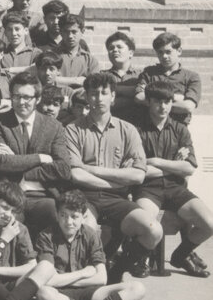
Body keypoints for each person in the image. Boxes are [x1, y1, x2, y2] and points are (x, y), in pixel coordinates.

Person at [66, 72, 162, 278]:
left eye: (104, 93)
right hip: (85, 196)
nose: (99, 98)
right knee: (86, 230)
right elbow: (76, 175)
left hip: (117, 199)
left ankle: (118, 269)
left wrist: (91, 169)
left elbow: (137, 176)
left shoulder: (128, 130)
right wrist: (117, 179)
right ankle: (88, 282)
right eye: (93, 94)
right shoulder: (73, 130)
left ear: (113, 97)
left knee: (153, 230)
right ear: (87, 97)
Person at [134, 82, 212, 278]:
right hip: (147, 189)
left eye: (167, 101)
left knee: (210, 223)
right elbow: (138, 171)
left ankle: (180, 255)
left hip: (176, 189)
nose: (163, 106)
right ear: (149, 102)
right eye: (158, 101)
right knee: (147, 223)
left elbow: (189, 168)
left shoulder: (180, 130)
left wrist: (156, 161)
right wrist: (172, 166)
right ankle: (140, 259)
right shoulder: (136, 129)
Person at [34, 191, 145, 300]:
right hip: (60, 293)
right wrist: (83, 273)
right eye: (63, 215)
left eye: (74, 217)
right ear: (57, 215)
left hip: (89, 292)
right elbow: (49, 280)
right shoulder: (46, 236)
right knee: (43, 294)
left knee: (137, 288)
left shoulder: (90, 235)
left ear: (83, 217)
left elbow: (101, 279)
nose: (68, 222)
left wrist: (63, 279)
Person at [0, 71, 71, 235]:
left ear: (38, 99)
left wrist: (21, 167)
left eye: (27, 97)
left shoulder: (53, 126)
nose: (21, 102)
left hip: (43, 195)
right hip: (9, 194)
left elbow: (63, 169)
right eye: (16, 96)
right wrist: (40, 158)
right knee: (9, 225)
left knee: (55, 216)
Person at [134, 32, 201, 124]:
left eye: (168, 52)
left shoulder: (191, 77)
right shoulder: (148, 73)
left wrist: (155, 102)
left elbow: (188, 106)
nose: (164, 56)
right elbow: (139, 97)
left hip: (178, 128)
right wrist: (176, 97)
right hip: (150, 128)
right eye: (160, 52)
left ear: (179, 51)